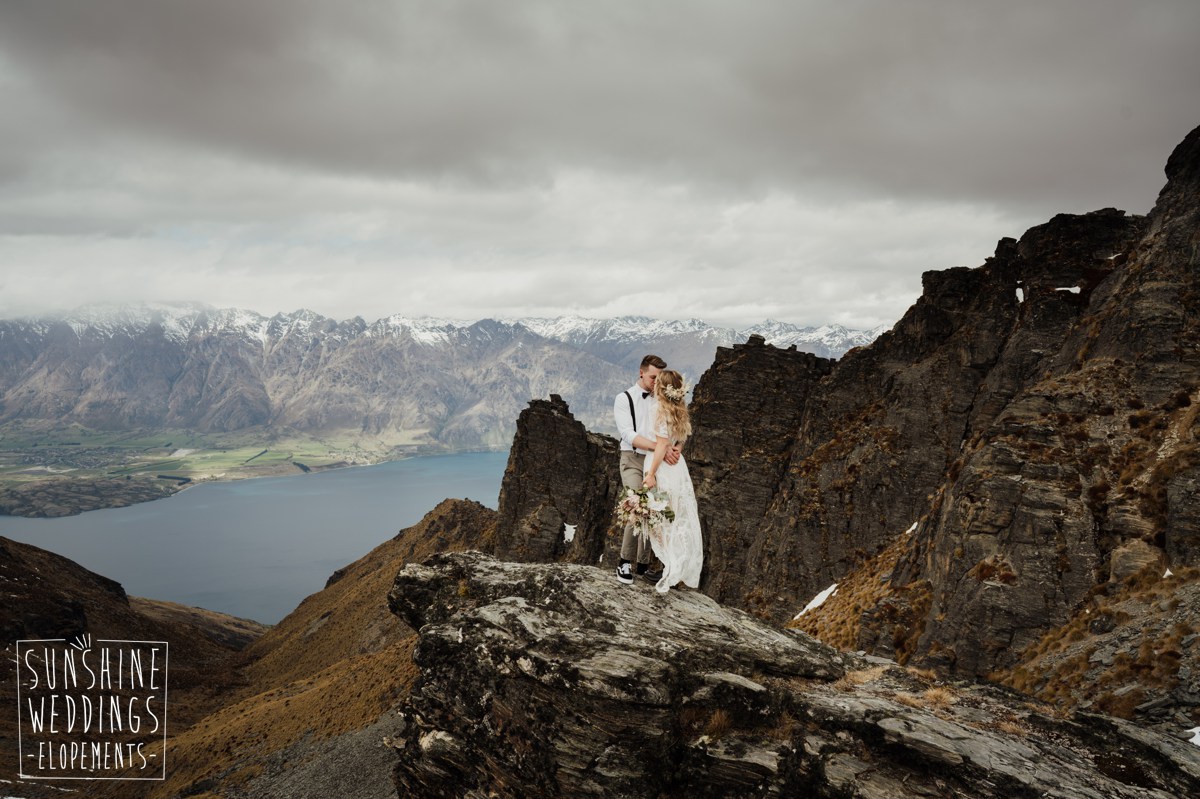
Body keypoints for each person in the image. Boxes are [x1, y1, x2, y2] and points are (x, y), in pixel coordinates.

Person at [613, 354, 680, 585]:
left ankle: (642, 564)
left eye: (660, 378)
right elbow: (627, 434)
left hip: (656, 461)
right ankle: (624, 562)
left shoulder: (662, 399)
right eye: (653, 377)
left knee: (655, 508)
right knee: (637, 505)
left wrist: (674, 447)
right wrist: (661, 447)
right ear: (641, 373)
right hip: (632, 459)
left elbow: (676, 427)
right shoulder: (624, 398)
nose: (656, 382)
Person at [640, 369, 703, 593]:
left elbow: (660, 444)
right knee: (675, 515)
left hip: (662, 467)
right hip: (678, 467)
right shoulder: (680, 408)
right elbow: (681, 437)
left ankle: (671, 567)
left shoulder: (658, 408)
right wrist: (678, 449)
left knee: (660, 516)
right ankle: (672, 566)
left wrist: (651, 474)